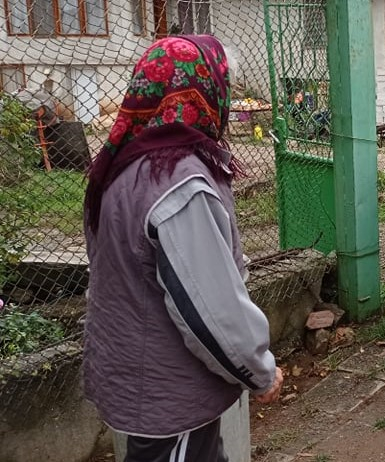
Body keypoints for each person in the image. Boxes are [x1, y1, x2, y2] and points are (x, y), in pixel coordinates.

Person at [82, 35, 283, 461]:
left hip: (144, 384)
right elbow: (210, 311)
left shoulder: (124, 164)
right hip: (169, 395)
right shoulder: (179, 183)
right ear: (209, 91)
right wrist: (260, 371)